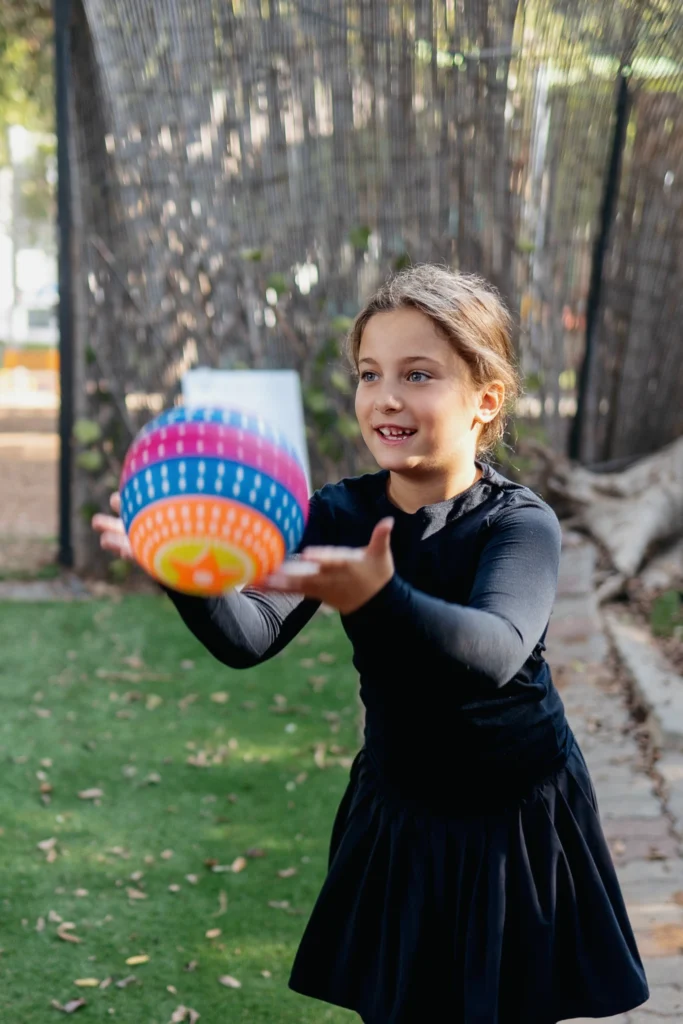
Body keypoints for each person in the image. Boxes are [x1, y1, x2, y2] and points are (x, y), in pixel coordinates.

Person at [93, 265, 649, 1024]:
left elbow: (491, 650)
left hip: (512, 820)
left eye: (418, 375)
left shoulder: (518, 525)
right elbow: (248, 637)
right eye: (368, 374)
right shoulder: (337, 512)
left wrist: (381, 600)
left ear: (485, 400)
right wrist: (183, 570)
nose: (385, 396)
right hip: (401, 811)